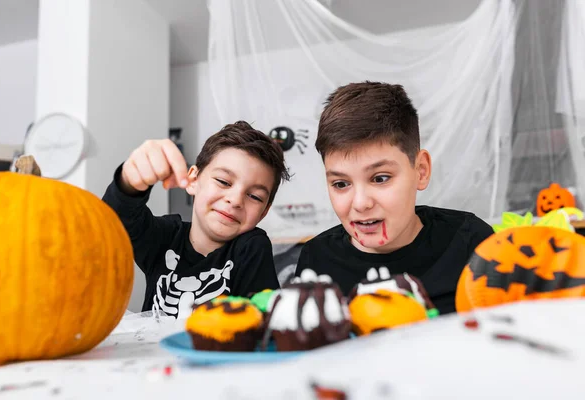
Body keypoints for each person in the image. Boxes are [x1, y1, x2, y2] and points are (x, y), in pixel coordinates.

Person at [295, 82, 493, 314]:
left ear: (421, 171)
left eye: (380, 178)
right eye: (341, 184)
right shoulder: (317, 260)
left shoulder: (470, 242)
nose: (360, 203)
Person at [102, 121, 290, 319]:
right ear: (192, 180)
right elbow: (113, 221)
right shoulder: (165, 237)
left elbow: (264, 323)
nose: (235, 200)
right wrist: (130, 181)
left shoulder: (251, 248)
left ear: (264, 212)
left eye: (255, 197)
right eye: (224, 182)